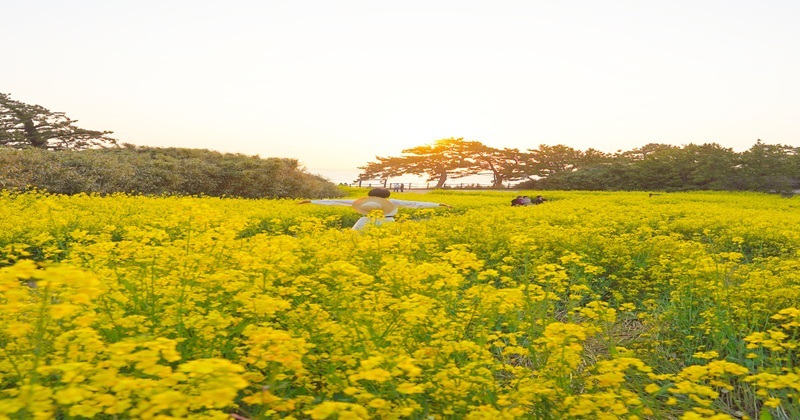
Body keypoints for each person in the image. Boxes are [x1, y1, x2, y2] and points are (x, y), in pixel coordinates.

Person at [299, 188, 451, 230]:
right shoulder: (392, 201)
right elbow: (415, 204)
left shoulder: (362, 213)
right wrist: (439, 204)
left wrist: (311, 201)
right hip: (388, 223)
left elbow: (337, 202)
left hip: (366, 222)